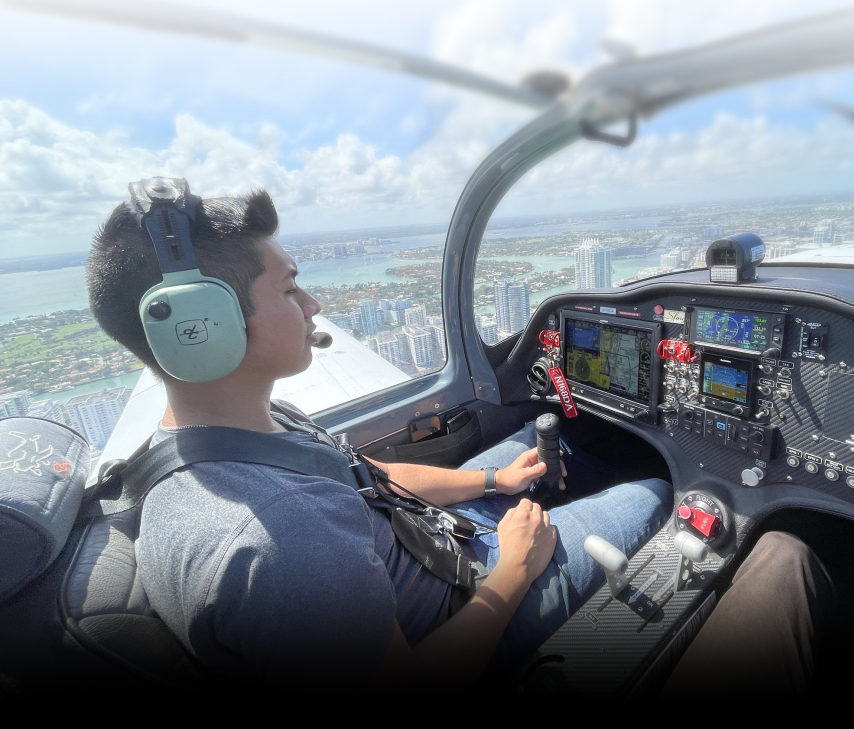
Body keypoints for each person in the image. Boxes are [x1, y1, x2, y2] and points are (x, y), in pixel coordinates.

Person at [85, 184, 672, 690]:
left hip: (431, 543)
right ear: (205, 330)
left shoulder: (232, 432)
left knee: (533, 443)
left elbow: (367, 480)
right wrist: (515, 567)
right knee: (661, 493)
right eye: (290, 289)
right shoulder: (279, 536)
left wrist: (493, 479)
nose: (312, 304)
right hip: (466, 608)